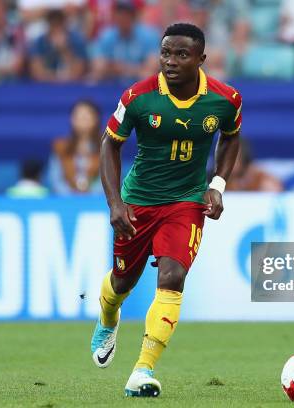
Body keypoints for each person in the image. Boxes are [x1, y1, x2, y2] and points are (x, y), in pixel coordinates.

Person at [90, 23, 241, 397]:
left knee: (172, 275)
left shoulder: (225, 99)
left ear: (201, 59)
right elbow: (109, 145)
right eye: (165, 54)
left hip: (186, 202)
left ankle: (143, 370)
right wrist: (115, 203)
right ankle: (108, 318)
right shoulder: (139, 97)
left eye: (181, 55)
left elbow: (231, 137)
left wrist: (217, 185)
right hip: (138, 201)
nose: (170, 62)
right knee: (122, 283)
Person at [90, 0, 158, 82]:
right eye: (119, 13)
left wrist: (119, 68)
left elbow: (151, 68)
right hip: (113, 86)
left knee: (148, 76)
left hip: (138, 88)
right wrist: (134, 69)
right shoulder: (106, 36)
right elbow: (98, 66)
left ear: (134, 16)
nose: (123, 17)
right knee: (93, 78)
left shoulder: (149, 35)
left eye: (127, 14)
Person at [48, 100, 102, 194]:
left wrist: (91, 195)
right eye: (78, 115)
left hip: (97, 203)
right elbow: (55, 178)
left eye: (86, 115)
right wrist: (71, 196)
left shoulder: (107, 148)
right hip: (66, 202)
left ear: (96, 119)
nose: (82, 118)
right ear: (72, 119)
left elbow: (110, 179)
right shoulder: (60, 146)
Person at [29, 9, 88, 82]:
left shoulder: (77, 40)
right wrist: (55, 78)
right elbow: (37, 73)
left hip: (71, 87)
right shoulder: (39, 42)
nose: (56, 29)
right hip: (46, 87)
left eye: (59, 25)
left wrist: (64, 50)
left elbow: (78, 72)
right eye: (53, 25)